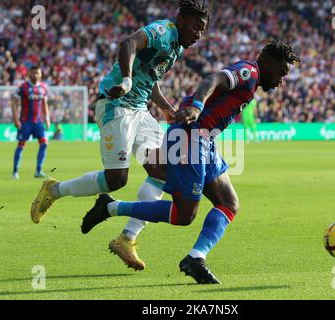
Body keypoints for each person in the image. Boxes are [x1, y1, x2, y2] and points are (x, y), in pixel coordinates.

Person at [81, 39, 300, 284]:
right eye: (281, 72)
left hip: (205, 140)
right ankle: (110, 207)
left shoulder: (253, 81)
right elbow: (212, 80)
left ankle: (196, 258)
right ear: (267, 62)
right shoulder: (249, 72)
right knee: (184, 215)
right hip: (191, 136)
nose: (281, 80)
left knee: (228, 203)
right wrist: (196, 106)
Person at [30, 0, 210, 271]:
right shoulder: (163, 31)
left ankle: (127, 238)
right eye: (196, 27)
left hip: (139, 109)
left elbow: (150, 77)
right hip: (116, 107)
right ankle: (54, 190)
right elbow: (128, 43)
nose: (198, 34)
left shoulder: (177, 47)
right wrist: (126, 79)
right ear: (182, 19)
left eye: (202, 31)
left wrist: (166, 109)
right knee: (117, 180)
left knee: (163, 170)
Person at [11, 66, 50, 179]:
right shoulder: (23, 87)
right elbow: (13, 103)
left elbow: (45, 104)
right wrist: (16, 119)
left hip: (38, 122)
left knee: (44, 143)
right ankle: (15, 171)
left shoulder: (43, 87)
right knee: (21, 145)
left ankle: (38, 170)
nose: (36, 75)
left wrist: (47, 118)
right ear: (29, 74)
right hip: (25, 122)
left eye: (38, 73)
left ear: (41, 74)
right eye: (33, 73)